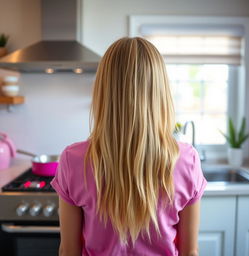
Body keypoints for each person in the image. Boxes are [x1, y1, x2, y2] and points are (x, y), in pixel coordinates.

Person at [51, 37, 207, 256]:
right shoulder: (187, 160)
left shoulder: (73, 159)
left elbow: (68, 251)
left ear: (103, 90)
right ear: (159, 91)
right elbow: (190, 251)